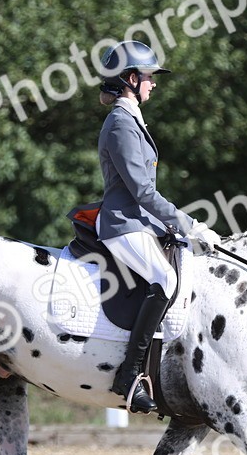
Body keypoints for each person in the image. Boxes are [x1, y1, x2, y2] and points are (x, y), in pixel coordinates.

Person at [95, 40, 221, 413]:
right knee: (164, 280)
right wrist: (190, 225)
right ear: (131, 79)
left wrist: (175, 231)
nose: (153, 84)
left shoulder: (131, 120)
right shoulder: (120, 124)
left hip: (137, 220)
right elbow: (142, 191)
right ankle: (128, 375)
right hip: (121, 223)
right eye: (149, 78)